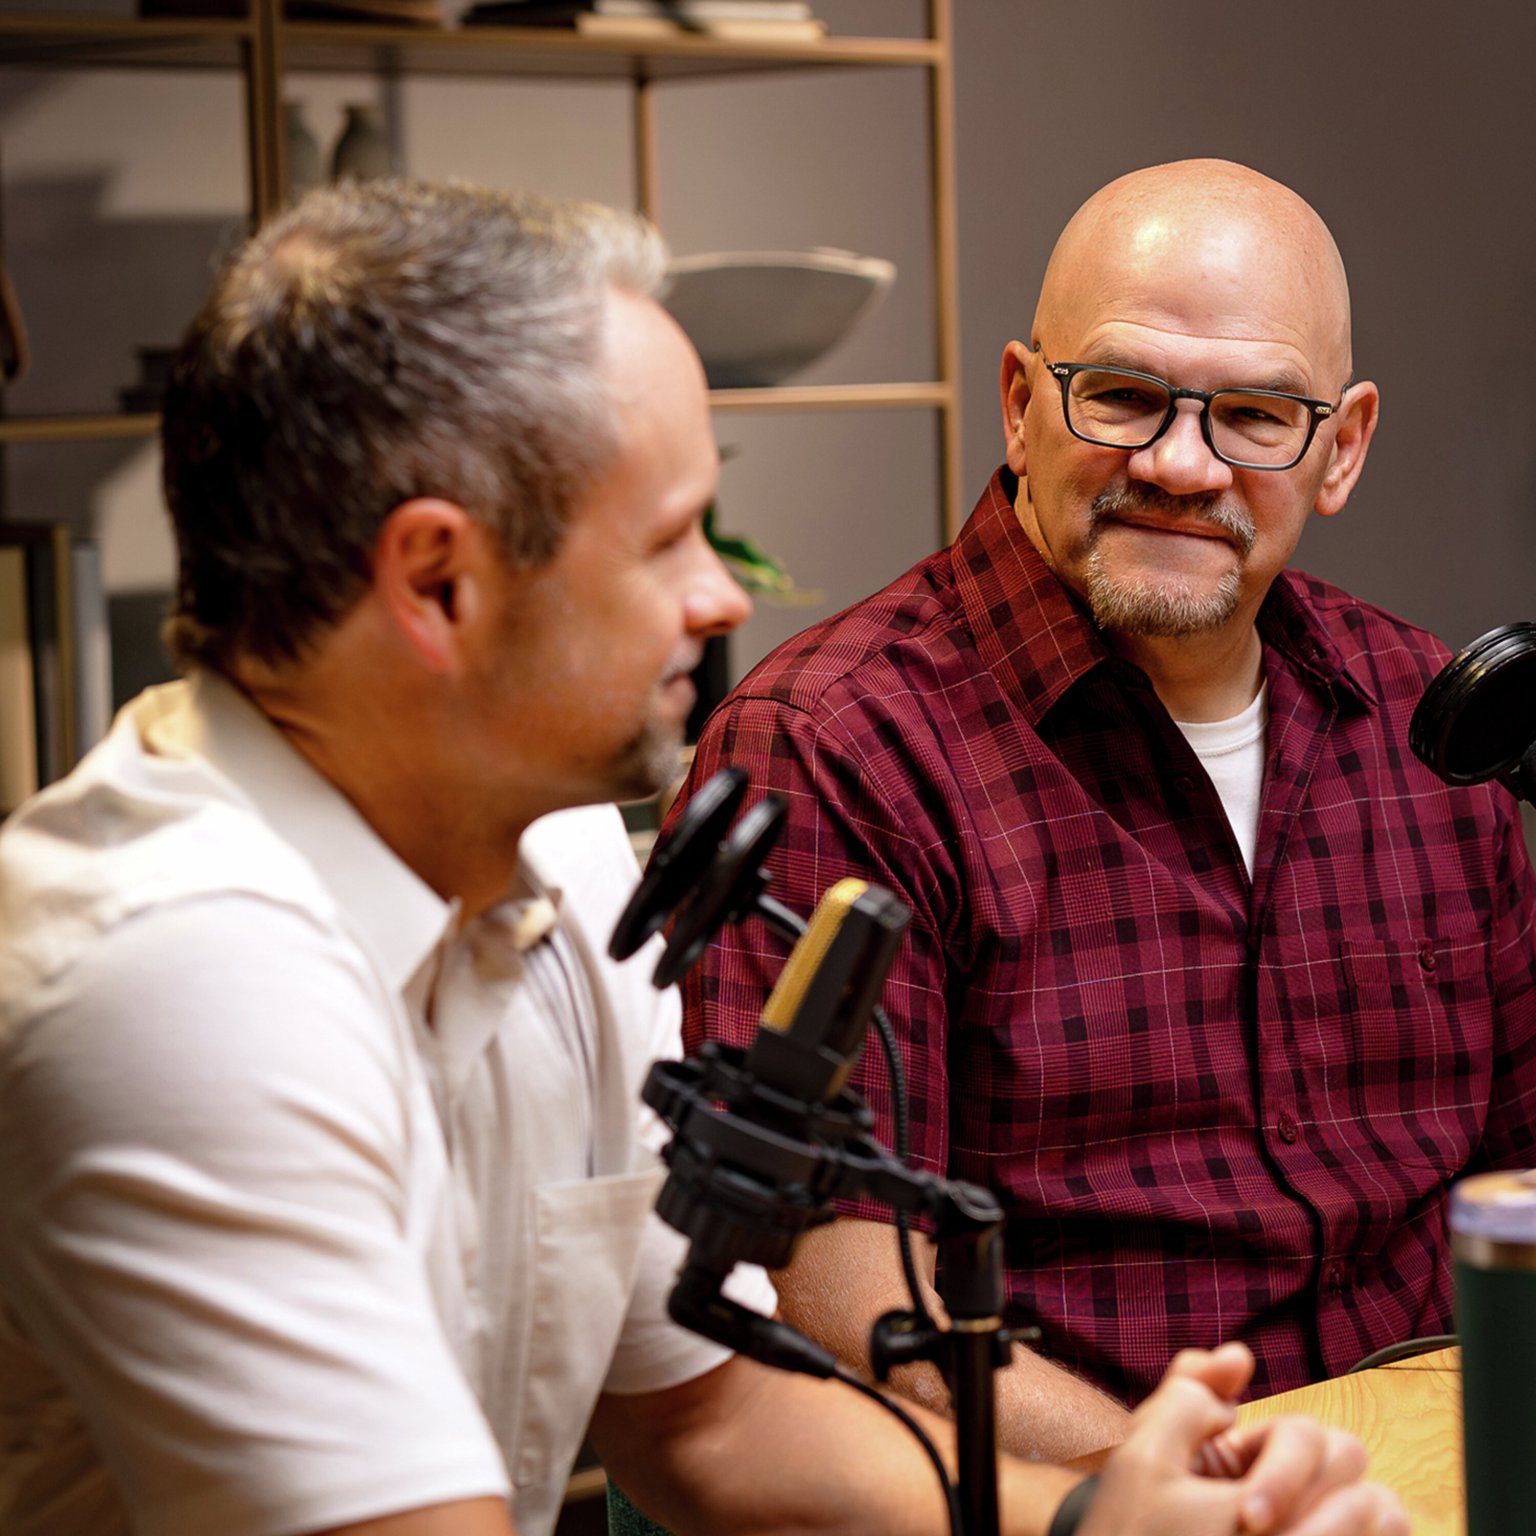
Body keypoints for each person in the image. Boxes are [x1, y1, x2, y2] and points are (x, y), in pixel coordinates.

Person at [0, 179, 1406, 1536]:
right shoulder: (180, 980)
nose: (723, 596)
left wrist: (1100, 1516)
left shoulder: (558, 857)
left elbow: (711, 1426)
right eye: (670, 537)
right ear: (439, 582)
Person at [676, 157, 1536, 1461]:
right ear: (1023, 406)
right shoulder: (835, 747)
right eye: (1125, 396)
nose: (1183, 465)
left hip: (1443, 1460)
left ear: (1342, 448)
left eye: (1256, 415)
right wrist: (1218, 1500)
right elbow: (856, 1312)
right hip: (1089, 1503)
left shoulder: (1434, 719)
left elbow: (1519, 1180)